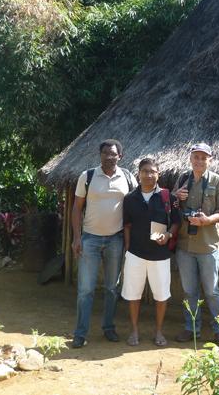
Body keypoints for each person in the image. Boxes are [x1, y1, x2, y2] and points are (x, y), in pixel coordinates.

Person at [70, 139, 137, 348]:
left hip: (115, 239)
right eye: (105, 153)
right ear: (100, 156)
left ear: (120, 156)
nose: (109, 157)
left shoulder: (127, 177)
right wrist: (77, 237)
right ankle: (80, 333)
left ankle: (108, 328)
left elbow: (141, 200)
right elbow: (76, 208)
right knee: (85, 289)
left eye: (113, 154)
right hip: (89, 238)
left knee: (111, 288)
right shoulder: (87, 176)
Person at [173, 143, 219, 343]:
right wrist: (175, 197)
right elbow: (172, 208)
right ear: (190, 158)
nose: (199, 161)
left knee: (212, 292)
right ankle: (191, 329)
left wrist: (206, 220)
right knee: (189, 291)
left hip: (208, 246)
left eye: (203, 158)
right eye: (196, 157)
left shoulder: (218, 181)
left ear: (210, 160)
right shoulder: (182, 180)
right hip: (185, 246)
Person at [122, 158, 181, 347]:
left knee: (161, 295)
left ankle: (159, 332)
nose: (148, 175)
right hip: (135, 254)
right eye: (145, 171)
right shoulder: (130, 199)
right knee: (133, 294)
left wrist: (169, 235)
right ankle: (134, 331)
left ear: (158, 174)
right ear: (138, 174)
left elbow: (177, 222)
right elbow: (127, 226)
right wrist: (128, 249)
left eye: (152, 171)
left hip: (160, 255)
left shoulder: (168, 198)